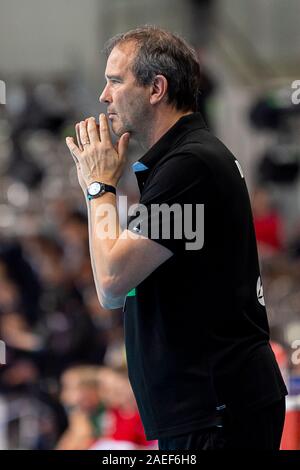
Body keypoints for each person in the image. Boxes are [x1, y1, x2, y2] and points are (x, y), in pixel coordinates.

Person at [66, 26, 288, 450]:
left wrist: (98, 188)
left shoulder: (191, 167)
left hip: (216, 411)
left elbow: (112, 282)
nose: (103, 96)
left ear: (157, 88)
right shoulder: (181, 163)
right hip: (205, 411)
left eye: (115, 80)